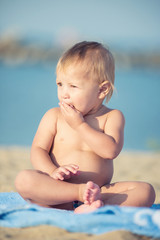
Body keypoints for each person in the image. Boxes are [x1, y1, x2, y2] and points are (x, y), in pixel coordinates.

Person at [15, 41, 155, 213]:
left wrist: (80, 125)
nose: (64, 93)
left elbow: (111, 151)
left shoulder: (111, 117)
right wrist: (52, 171)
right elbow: (38, 150)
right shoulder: (54, 116)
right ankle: (77, 197)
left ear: (102, 90)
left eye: (73, 86)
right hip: (58, 190)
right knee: (24, 179)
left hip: (98, 191)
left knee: (146, 191)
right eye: (60, 84)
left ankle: (96, 207)